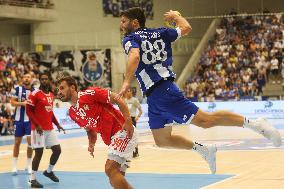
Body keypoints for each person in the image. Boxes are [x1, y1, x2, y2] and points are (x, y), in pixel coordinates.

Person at [118, 7, 282, 174]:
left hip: (163, 91)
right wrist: (176, 16)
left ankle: (256, 124)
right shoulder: (161, 32)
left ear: (135, 22)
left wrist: (125, 82)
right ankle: (204, 150)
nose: (121, 25)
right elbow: (186, 28)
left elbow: (135, 56)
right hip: (154, 96)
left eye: (124, 21)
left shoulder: (130, 38)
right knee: (162, 139)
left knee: (206, 121)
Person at [56, 75, 137, 189]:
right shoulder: (72, 113)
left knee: (110, 169)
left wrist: (128, 121)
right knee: (114, 179)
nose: (59, 92)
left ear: (73, 87)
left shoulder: (89, 94)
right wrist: (91, 143)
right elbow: (90, 130)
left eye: (62, 88)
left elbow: (118, 98)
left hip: (122, 131)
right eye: (58, 89)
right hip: (112, 139)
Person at [26, 72, 65, 188]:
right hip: (37, 129)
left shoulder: (51, 95)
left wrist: (57, 124)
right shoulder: (35, 94)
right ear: (39, 81)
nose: (44, 81)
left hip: (49, 129)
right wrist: (37, 125)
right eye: (42, 79)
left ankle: (48, 171)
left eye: (46, 79)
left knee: (57, 150)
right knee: (39, 153)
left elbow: (50, 112)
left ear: (49, 80)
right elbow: (29, 111)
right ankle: (32, 179)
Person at [10, 72, 34, 175]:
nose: (26, 79)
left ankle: (28, 165)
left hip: (30, 121)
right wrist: (23, 103)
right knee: (17, 143)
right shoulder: (17, 89)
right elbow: (12, 102)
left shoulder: (35, 91)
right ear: (22, 79)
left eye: (28, 77)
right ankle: (14, 166)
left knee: (30, 144)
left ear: (31, 79)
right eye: (25, 77)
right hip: (18, 120)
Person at [124, 88, 142, 157]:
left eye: (128, 91)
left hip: (132, 119)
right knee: (126, 135)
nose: (127, 93)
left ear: (131, 92)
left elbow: (140, 110)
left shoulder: (134, 100)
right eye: (126, 92)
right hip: (126, 119)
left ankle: (136, 151)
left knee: (133, 135)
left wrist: (137, 117)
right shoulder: (125, 101)